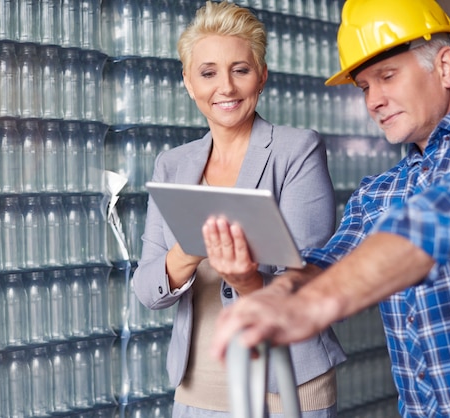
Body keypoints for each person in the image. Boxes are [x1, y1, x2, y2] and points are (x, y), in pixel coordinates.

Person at [210, 0, 450, 416]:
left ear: (445, 67)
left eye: (387, 76)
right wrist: (271, 289)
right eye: (364, 87)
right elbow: (326, 266)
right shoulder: (379, 191)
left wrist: (311, 305)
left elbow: (434, 222)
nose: (373, 100)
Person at [132, 2, 346, 417]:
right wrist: (189, 248)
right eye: (208, 72)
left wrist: (248, 278)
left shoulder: (296, 150)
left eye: (240, 70)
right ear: (190, 83)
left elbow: (310, 281)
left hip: (286, 382)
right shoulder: (172, 166)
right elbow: (146, 290)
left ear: (261, 76)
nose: (225, 88)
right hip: (199, 387)